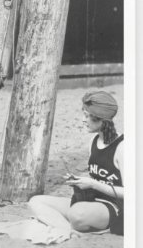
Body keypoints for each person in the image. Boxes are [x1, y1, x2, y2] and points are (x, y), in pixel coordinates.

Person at [28, 91, 124, 234]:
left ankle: (62, 225)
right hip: (91, 201)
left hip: (112, 207)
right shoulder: (93, 141)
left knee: (76, 214)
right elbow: (99, 176)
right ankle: (70, 231)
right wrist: (79, 182)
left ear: (100, 119)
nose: (83, 120)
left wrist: (92, 183)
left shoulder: (122, 147)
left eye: (86, 116)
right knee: (35, 201)